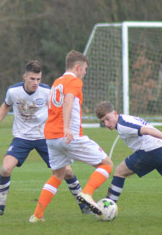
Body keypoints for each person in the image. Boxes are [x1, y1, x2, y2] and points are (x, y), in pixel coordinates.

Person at [0, 60, 88, 217]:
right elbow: (6, 105)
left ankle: (84, 206)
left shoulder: (48, 91)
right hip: (22, 137)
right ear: (25, 77)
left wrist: (65, 129)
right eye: (32, 79)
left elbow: (61, 108)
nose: (35, 82)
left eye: (38, 79)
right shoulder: (13, 91)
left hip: (45, 137)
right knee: (6, 169)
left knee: (67, 172)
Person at [29, 50, 113, 223]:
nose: (85, 72)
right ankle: (87, 193)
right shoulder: (73, 81)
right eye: (85, 69)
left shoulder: (57, 82)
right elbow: (68, 101)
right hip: (68, 136)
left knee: (57, 175)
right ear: (77, 67)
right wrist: (67, 128)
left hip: (51, 138)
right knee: (107, 164)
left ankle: (36, 216)